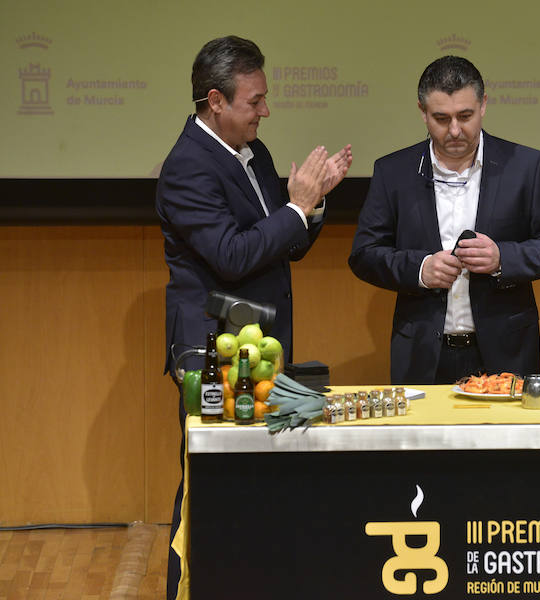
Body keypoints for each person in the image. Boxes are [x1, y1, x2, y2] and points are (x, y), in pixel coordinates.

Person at [156, 35, 351, 599]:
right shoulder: (187, 168)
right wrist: (296, 206)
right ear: (215, 101)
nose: (266, 111)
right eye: (254, 101)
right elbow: (233, 256)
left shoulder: (254, 152)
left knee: (262, 481)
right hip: (214, 352)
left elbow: (281, 245)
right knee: (209, 482)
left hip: (262, 344)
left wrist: (310, 209)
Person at [349, 56, 540, 384]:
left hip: (506, 352)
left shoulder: (525, 166)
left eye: (465, 116)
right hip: (423, 354)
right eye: (441, 118)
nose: (455, 130)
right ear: (422, 112)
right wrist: (421, 269)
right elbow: (364, 255)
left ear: (484, 105)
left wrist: (503, 258)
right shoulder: (393, 172)